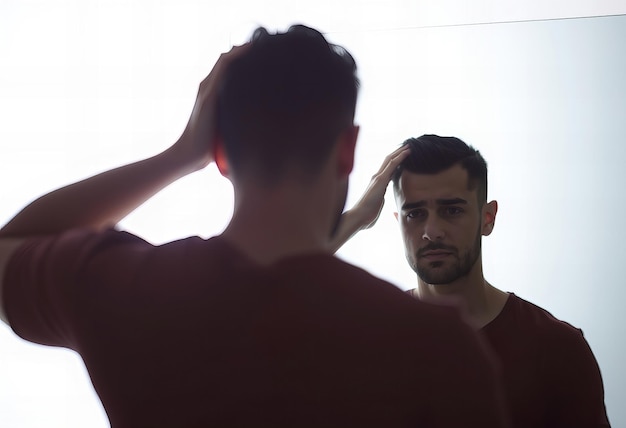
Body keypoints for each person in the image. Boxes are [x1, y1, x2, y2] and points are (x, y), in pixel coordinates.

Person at [0, 27, 509, 427]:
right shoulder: (439, 349)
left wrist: (179, 156)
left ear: (220, 152)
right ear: (348, 148)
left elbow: (11, 246)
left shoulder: (122, 288)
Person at [333, 134, 611, 428]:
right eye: (414, 213)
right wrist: (356, 218)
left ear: (487, 218)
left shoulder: (556, 349)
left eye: (451, 210)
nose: (432, 231)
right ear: (398, 222)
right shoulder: (367, 343)